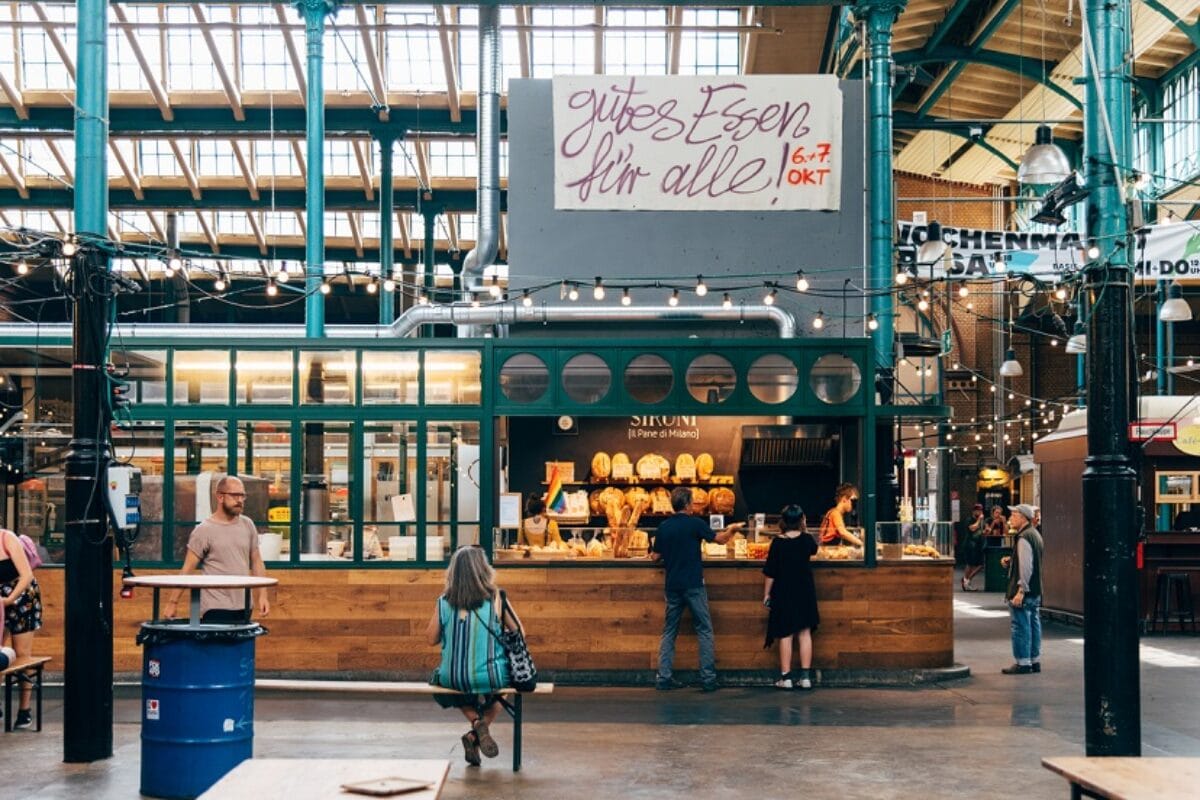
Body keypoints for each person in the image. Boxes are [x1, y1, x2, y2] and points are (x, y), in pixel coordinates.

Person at [426, 545, 524, 767]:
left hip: (453, 676)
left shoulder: (444, 601)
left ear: (453, 572)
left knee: (444, 679)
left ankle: (476, 722)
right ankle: (481, 727)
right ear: (484, 570)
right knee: (507, 685)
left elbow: (431, 638)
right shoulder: (497, 598)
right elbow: (520, 632)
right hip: (491, 676)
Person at [651, 487, 744, 692]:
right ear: (687, 504)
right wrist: (733, 529)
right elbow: (720, 540)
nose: (693, 505)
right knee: (704, 630)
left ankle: (664, 678)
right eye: (692, 502)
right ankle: (708, 679)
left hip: (673, 586)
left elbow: (655, 556)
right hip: (693, 585)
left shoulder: (664, 527)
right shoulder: (695, 524)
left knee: (669, 631)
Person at [163, 476, 270, 623]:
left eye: (242, 495)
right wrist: (173, 602)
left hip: (243, 605)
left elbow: (257, 561)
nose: (239, 500)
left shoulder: (248, 525)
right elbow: (187, 569)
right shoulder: (204, 530)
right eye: (234, 495)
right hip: (216, 606)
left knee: (240, 646)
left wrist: (262, 595)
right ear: (220, 497)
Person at [762, 505, 820, 690]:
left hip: (784, 590)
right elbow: (814, 550)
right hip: (804, 590)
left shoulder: (778, 543)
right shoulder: (807, 540)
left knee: (785, 634)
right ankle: (805, 678)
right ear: (802, 519)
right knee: (804, 632)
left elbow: (770, 572)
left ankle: (786, 678)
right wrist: (804, 528)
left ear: (783, 521)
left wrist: (766, 594)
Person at [1, 528, 41, 729]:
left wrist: (9, 599)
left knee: (22, 653)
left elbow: (26, 575)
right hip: (0, 601)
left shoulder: (7, 538)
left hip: (22, 595)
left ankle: (24, 710)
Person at [1002, 504, 1044, 675]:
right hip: (1036, 588)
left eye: (1014, 514)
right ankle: (1034, 660)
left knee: (1020, 626)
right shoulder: (1035, 534)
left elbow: (1027, 566)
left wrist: (1021, 590)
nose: (1011, 517)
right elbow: (1030, 561)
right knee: (1033, 623)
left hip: (1025, 590)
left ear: (1023, 517)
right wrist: (1011, 562)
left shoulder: (1024, 537)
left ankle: (1022, 662)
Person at [818, 483, 863, 547]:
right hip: (828, 549)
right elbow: (843, 532)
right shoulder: (836, 514)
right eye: (852, 501)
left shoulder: (831, 511)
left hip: (827, 548)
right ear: (844, 499)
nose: (854, 504)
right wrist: (862, 544)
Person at [961, 503, 986, 591]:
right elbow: (972, 528)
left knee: (980, 564)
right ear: (973, 511)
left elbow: (983, 531)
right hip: (969, 544)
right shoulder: (969, 520)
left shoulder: (982, 521)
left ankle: (967, 579)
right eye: (977, 510)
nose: (979, 512)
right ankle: (966, 581)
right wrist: (979, 520)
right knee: (970, 564)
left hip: (978, 544)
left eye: (980, 510)